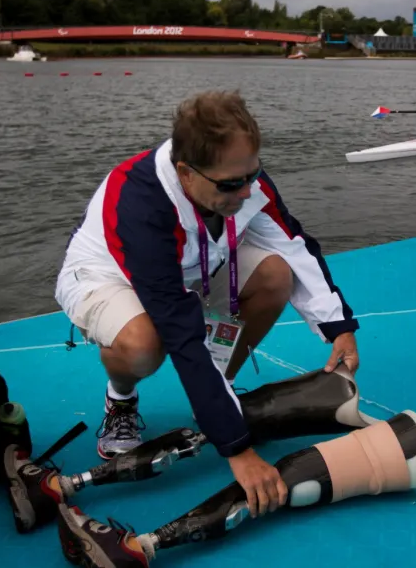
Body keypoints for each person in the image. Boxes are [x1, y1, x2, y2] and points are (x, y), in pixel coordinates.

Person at [53, 89, 361, 517]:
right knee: (146, 343)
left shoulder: (239, 176)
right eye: (232, 185)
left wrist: (338, 325)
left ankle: (221, 393)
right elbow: (179, 329)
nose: (247, 192)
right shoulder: (139, 202)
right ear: (185, 172)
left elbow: (292, 244)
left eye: (252, 175)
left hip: (191, 263)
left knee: (275, 275)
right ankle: (120, 397)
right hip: (107, 273)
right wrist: (237, 450)